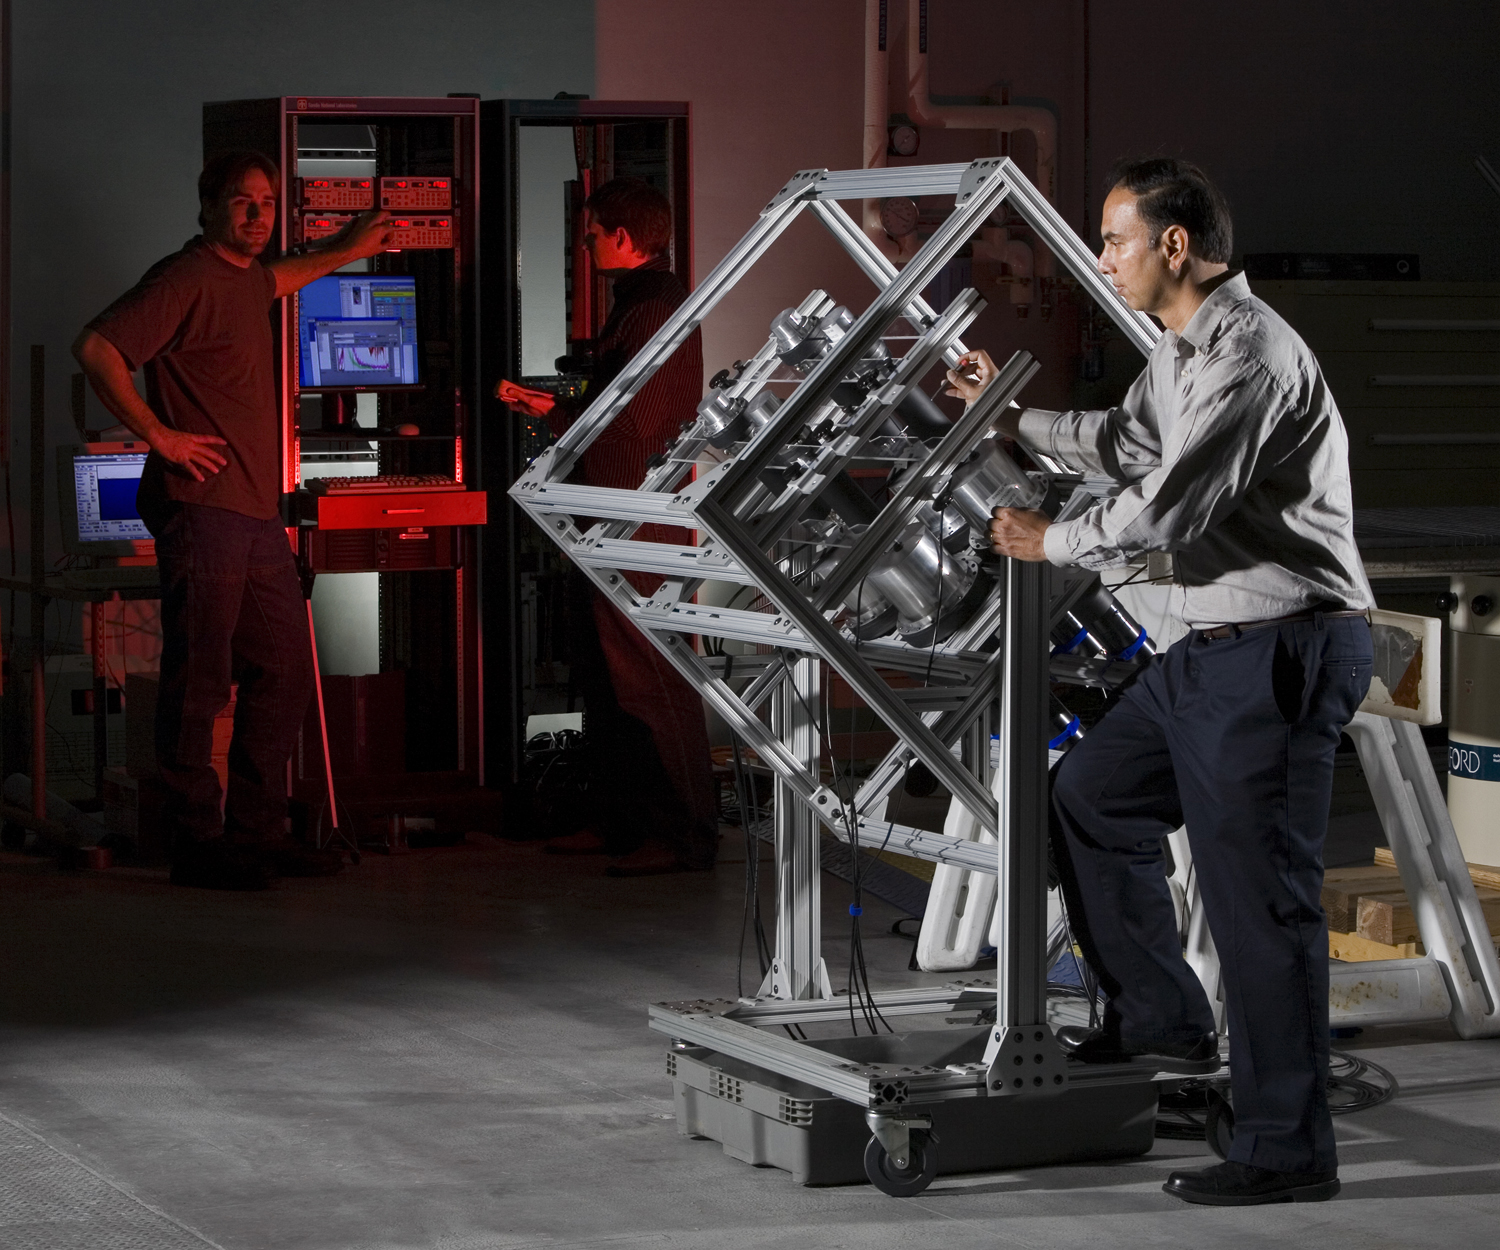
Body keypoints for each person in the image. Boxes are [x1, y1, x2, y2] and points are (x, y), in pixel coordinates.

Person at [946, 158, 1373, 1206]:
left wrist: (1055, 541)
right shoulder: (1180, 353)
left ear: (1174, 246)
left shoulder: (1254, 358)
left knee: (1256, 907)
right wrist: (1014, 421)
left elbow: (1170, 505)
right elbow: (1124, 441)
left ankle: (1286, 1148)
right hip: (1206, 651)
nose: (1104, 259)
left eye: (1115, 239)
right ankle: (1160, 1020)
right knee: (1086, 795)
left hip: (1277, 650)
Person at [74, 150, 394, 890]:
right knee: (200, 682)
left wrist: (345, 250)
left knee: (281, 670)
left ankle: (255, 832)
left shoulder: (246, 278)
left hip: (254, 515)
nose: (258, 215)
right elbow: (96, 348)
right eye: (243, 202)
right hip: (205, 512)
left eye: (267, 203)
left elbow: (279, 278)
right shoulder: (184, 277)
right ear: (209, 206)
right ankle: (198, 843)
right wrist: (161, 437)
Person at [497, 177, 716, 876]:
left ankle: (684, 833)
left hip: (635, 520)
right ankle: (619, 819)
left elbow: (625, 421)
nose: (585, 244)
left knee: (651, 672)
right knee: (609, 673)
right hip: (614, 514)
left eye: (592, 233)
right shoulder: (643, 304)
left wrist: (546, 413)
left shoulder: (652, 309)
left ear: (623, 237)